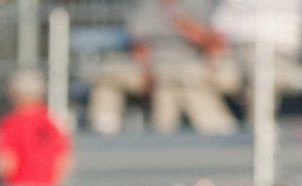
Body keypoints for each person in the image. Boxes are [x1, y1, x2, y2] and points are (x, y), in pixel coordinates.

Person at [90, 0, 238, 136]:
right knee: (108, 76)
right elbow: (139, 44)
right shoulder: (147, 5)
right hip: (155, 67)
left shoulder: (201, 4)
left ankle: (220, 134)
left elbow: (215, 43)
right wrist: (146, 71)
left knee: (182, 82)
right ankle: (105, 133)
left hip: (189, 66)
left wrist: (185, 24)